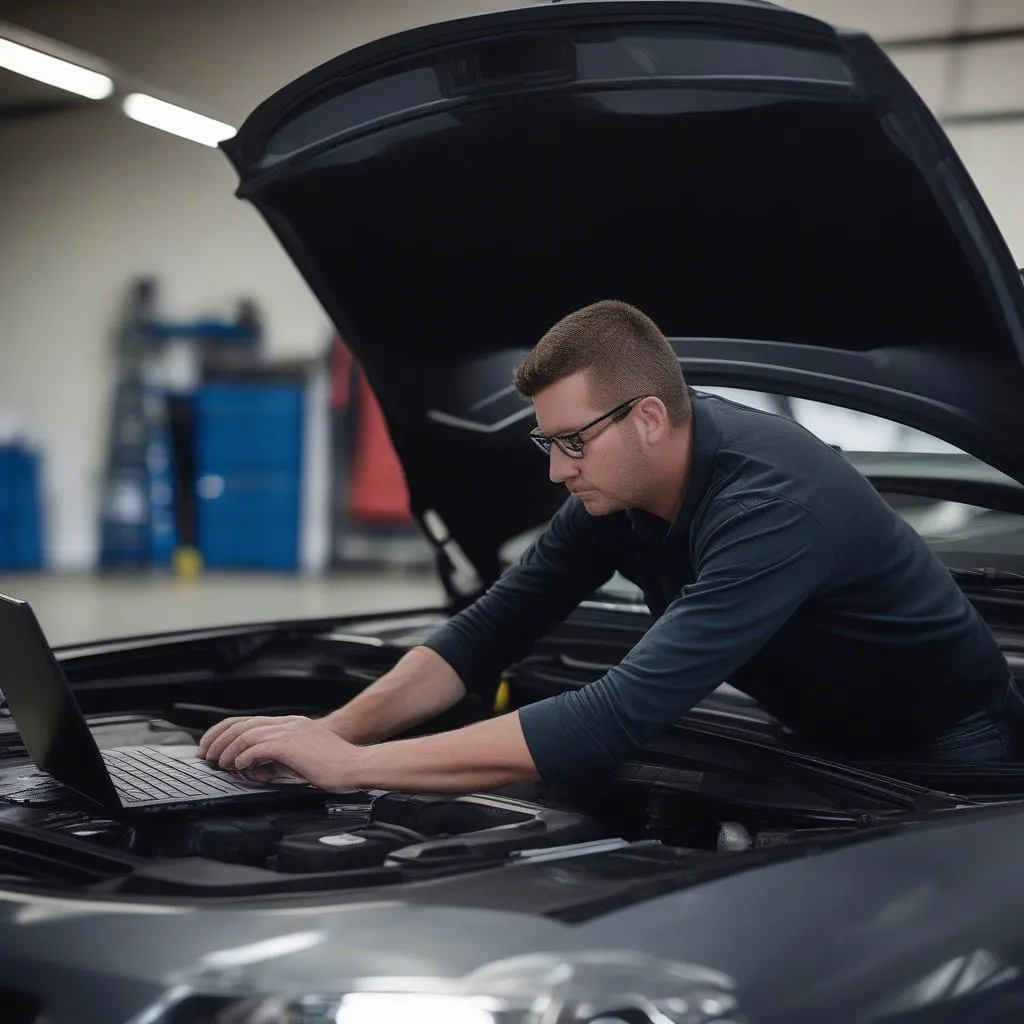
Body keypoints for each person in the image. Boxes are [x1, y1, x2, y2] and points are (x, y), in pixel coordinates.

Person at [198, 300, 1020, 791]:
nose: (557, 471)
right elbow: (490, 630)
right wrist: (331, 731)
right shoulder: (613, 492)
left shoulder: (775, 502)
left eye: (573, 442)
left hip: (951, 760)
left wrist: (354, 769)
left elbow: (617, 714)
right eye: (546, 444)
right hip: (823, 741)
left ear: (650, 419)